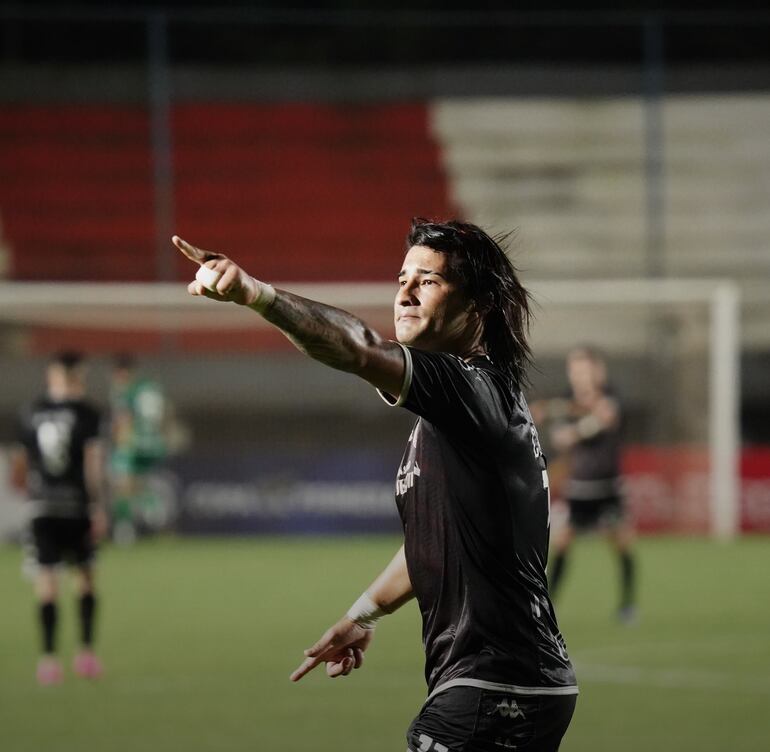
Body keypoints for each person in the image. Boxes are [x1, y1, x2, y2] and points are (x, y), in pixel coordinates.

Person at [174, 218, 577, 751]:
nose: (405, 293)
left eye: (428, 281)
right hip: (515, 683)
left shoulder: (470, 389)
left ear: (477, 306)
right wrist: (362, 613)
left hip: (491, 685)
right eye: (402, 278)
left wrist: (256, 294)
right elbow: (439, 542)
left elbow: (360, 349)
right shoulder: (464, 411)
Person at [10, 351, 107, 684]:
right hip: (76, 506)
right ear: (78, 376)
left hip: (42, 507)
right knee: (84, 579)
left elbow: (19, 464)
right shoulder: (88, 412)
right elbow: (92, 462)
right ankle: (86, 654)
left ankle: (48, 661)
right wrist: (97, 505)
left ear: (52, 376)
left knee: (46, 582)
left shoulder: (32, 411)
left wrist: (28, 491)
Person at [536, 346, 637, 623]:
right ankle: (549, 606)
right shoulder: (567, 401)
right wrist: (565, 426)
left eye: (583, 369)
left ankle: (627, 605)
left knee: (622, 544)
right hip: (579, 488)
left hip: (608, 487)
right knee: (562, 544)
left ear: (596, 370)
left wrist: (576, 430)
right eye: (574, 370)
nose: (579, 375)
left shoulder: (610, 396)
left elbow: (605, 418)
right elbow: (559, 437)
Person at [109, 354, 168, 544]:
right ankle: (154, 511)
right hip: (153, 444)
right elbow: (164, 415)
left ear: (122, 372)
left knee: (122, 486)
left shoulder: (126, 391)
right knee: (139, 485)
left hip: (133, 444)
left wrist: (120, 444)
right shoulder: (150, 388)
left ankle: (124, 530)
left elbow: (124, 420)